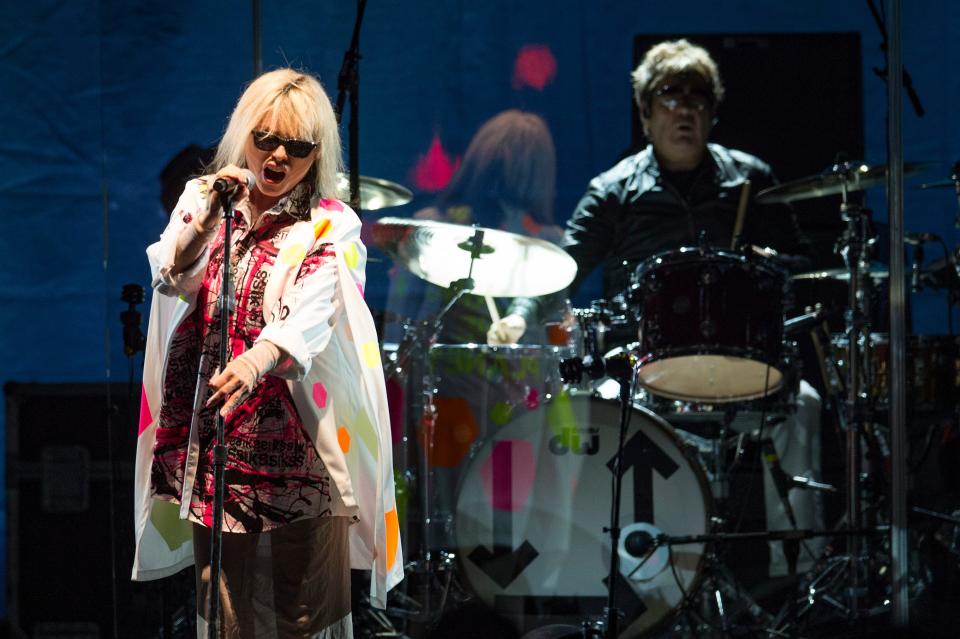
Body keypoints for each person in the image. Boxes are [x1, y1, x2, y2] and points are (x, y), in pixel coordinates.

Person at [488, 39, 823, 577]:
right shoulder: (613, 190)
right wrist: (521, 313)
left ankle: (800, 579)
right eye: (669, 95)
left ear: (713, 111)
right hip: (645, 370)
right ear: (645, 113)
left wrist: (774, 261)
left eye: (698, 97)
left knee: (801, 404)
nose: (685, 108)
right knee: (590, 406)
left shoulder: (751, 180)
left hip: (742, 367)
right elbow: (563, 269)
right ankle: (603, 575)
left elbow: (802, 267)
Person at [131, 68, 403, 637]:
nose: (278, 156)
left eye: (297, 147)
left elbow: (314, 309)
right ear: (244, 133)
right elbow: (170, 274)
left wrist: (257, 361)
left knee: (301, 609)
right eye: (266, 139)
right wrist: (207, 220)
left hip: (293, 439)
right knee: (222, 606)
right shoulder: (206, 197)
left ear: (316, 153)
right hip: (215, 433)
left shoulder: (332, 223)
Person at [385, 109, 563, 344]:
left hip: (459, 370)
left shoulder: (551, 243)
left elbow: (399, 312)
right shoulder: (432, 229)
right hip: (482, 373)